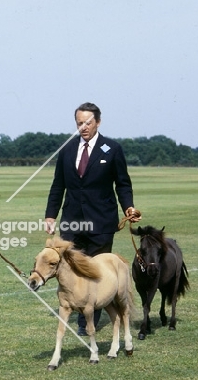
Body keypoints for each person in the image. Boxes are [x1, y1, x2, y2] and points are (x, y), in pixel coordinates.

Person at [44, 102, 140, 336]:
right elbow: (58, 185)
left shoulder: (112, 149)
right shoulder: (67, 150)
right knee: (72, 269)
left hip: (102, 222)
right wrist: (50, 215)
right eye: (79, 123)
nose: (83, 127)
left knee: (95, 271)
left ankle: (89, 322)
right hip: (72, 222)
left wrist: (128, 207)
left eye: (87, 122)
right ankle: (78, 313)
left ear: (97, 121)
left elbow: (123, 184)